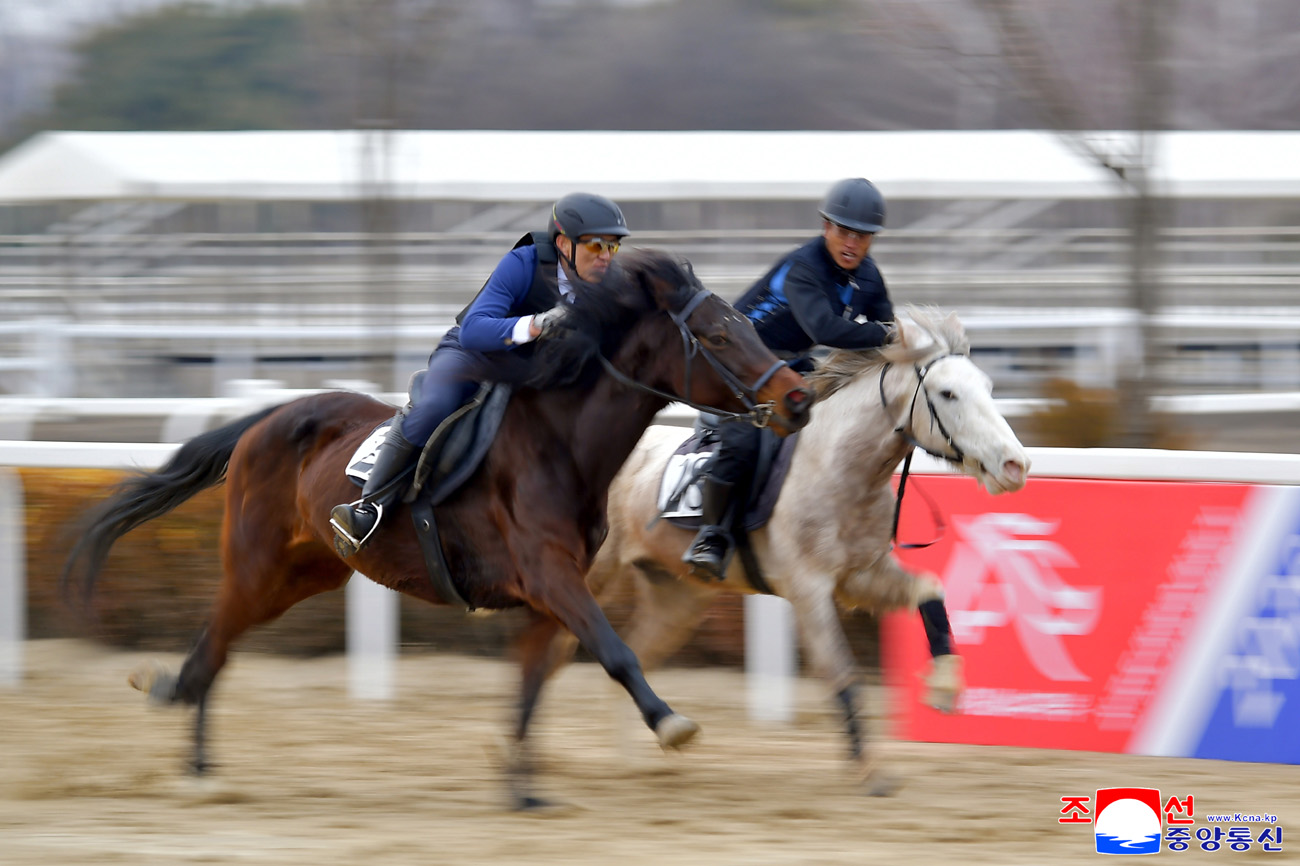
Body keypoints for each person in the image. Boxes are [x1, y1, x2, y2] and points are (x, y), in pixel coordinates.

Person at [330, 192, 631, 554]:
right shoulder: (524, 263)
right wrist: (536, 324)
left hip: (534, 369)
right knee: (436, 406)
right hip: (475, 354)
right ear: (564, 244)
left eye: (612, 247)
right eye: (596, 245)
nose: (605, 257)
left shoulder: (613, 283)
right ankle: (369, 506)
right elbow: (474, 330)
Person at [683, 177, 896, 580]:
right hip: (734, 366)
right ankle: (711, 537)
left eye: (863, 236)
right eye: (845, 232)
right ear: (826, 227)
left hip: (787, 368)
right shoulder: (803, 267)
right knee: (745, 441)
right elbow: (826, 330)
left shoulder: (869, 276)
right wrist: (890, 335)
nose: (853, 244)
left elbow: (887, 326)